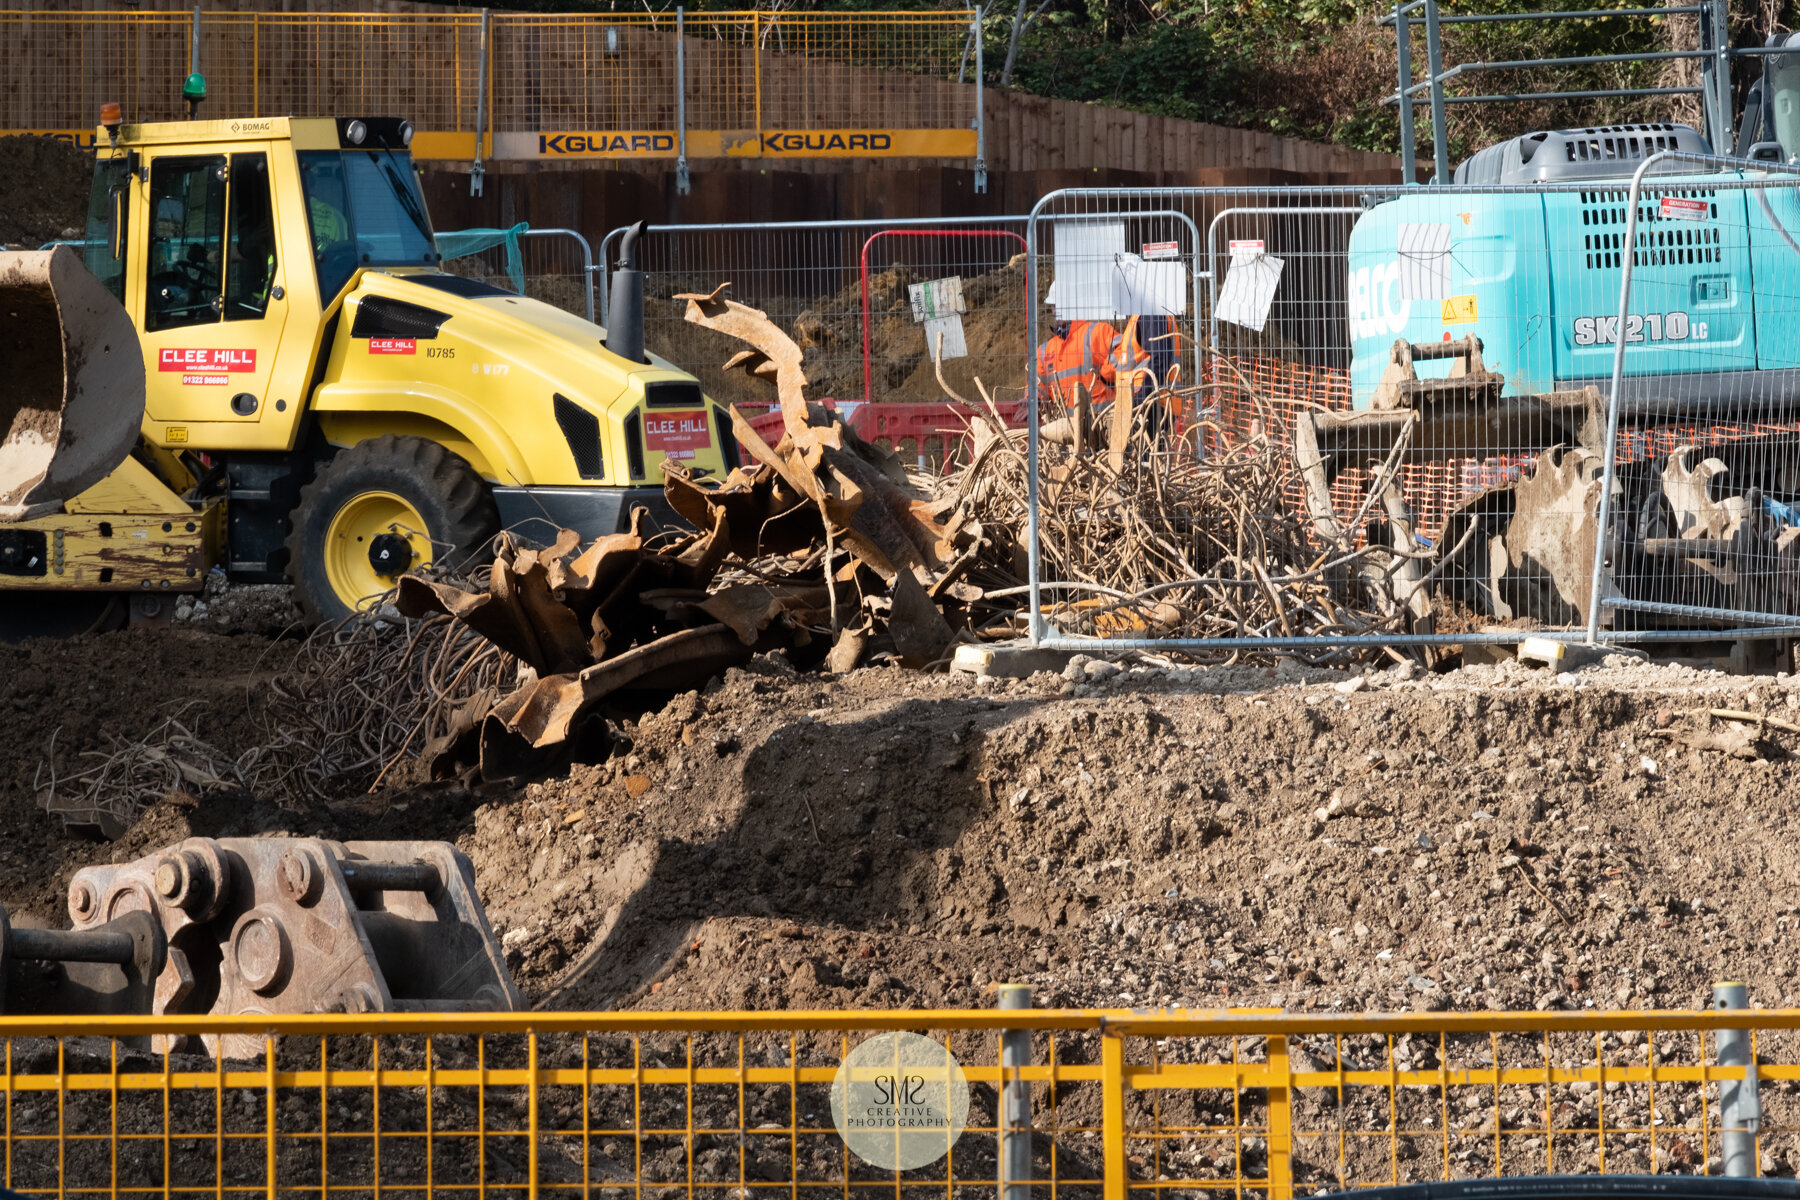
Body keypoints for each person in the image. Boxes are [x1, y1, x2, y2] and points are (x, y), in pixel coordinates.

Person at [1035, 311, 1119, 412]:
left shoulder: (1097, 332)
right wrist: (1032, 401)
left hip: (1103, 422)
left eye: (1059, 303)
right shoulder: (1044, 350)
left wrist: (1107, 374)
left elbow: (1125, 352)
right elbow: (1039, 384)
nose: (1054, 311)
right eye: (1053, 305)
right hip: (1065, 425)